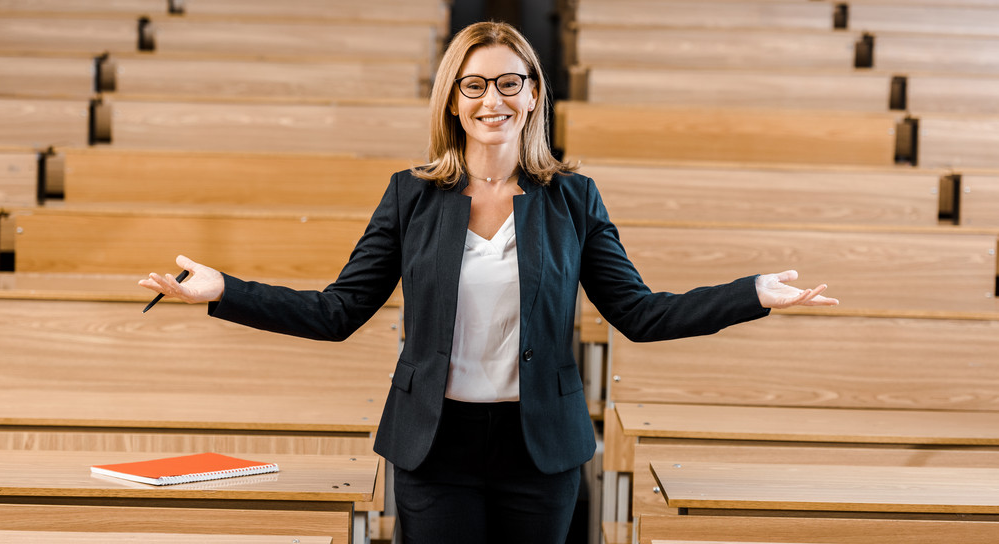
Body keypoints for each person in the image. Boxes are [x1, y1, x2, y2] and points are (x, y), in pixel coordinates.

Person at [139, 21, 838, 544]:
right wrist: (224, 289)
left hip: (540, 450)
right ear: (453, 101)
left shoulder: (573, 198)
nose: (491, 100)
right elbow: (339, 309)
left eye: (510, 82)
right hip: (433, 447)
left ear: (533, 94)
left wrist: (752, 296)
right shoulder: (410, 196)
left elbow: (638, 312)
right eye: (474, 85)